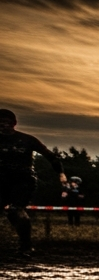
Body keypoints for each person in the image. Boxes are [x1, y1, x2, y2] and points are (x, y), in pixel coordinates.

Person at [0, 109, 66, 257]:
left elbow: (50, 156)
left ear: (13, 124)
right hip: (2, 179)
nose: (2, 126)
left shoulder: (27, 140)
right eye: (0, 123)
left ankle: (26, 247)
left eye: (6, 123)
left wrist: (61, 173)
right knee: (10, 212)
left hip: (23, 179)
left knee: (16, 210)